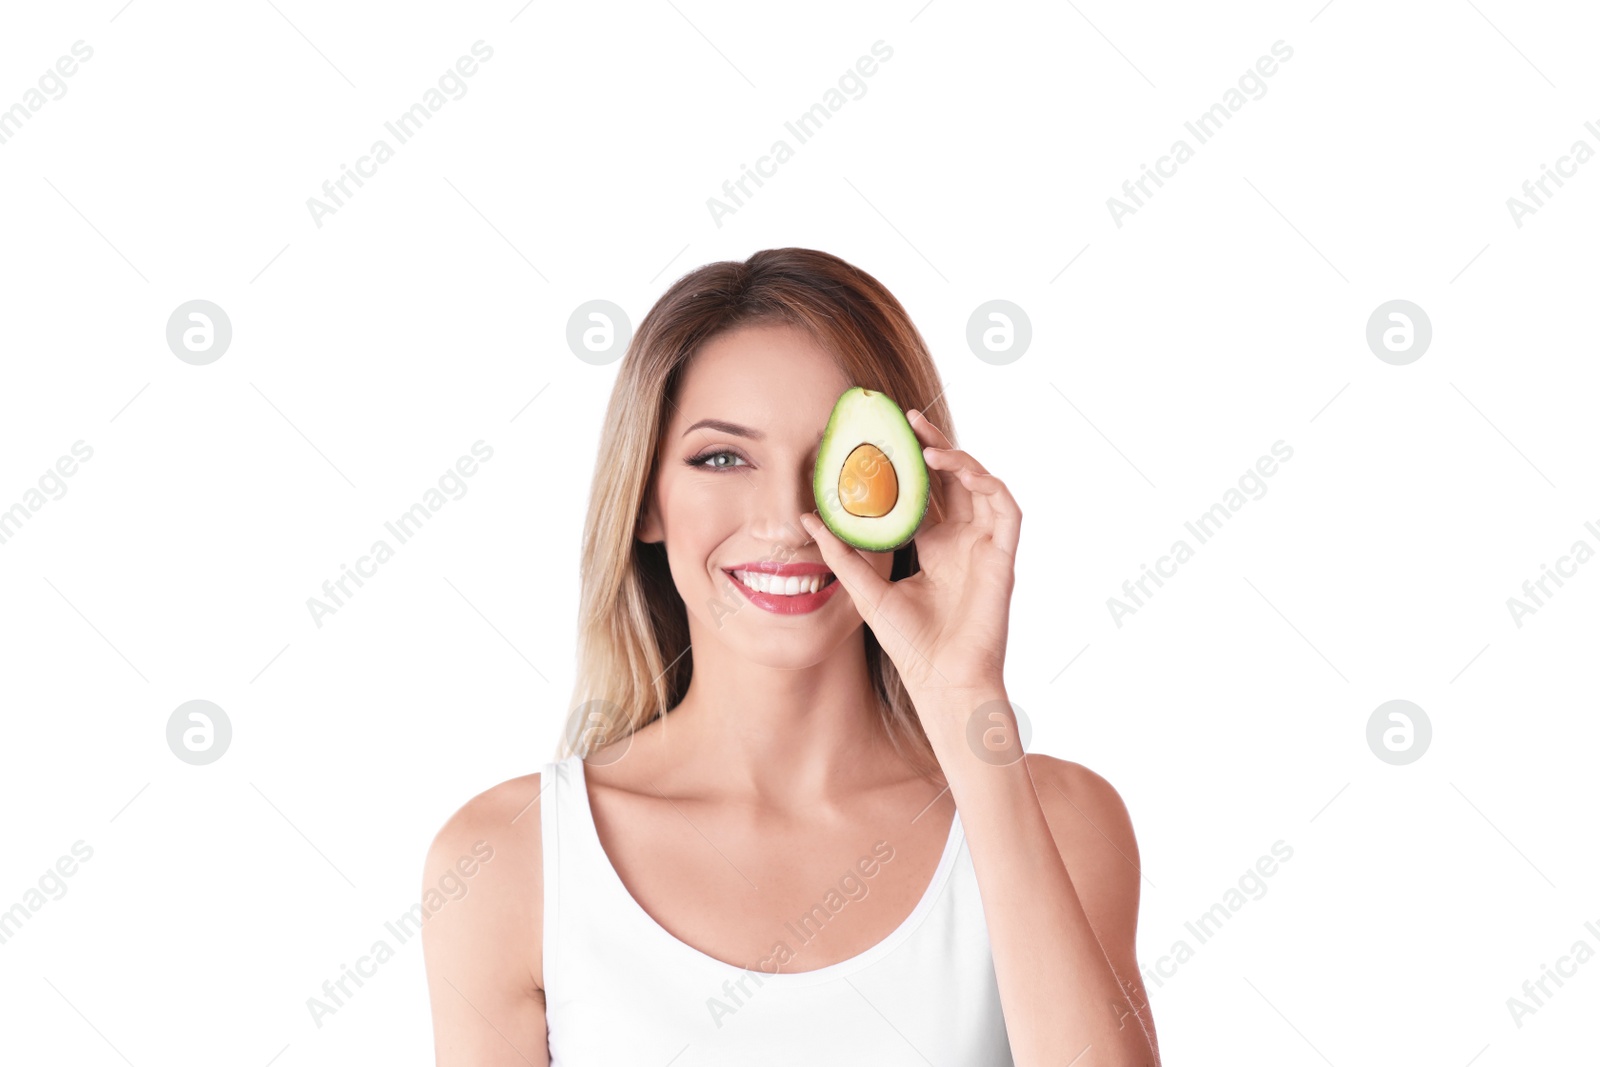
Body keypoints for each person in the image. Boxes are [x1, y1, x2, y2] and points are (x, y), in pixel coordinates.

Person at [420, 248, 1161, 1065]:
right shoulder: (507, 859)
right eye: (722, 457)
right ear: (646, 500)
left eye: (842, 462)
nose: (785, 515)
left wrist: (964, 701)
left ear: (914, 491)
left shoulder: (1059, 818)